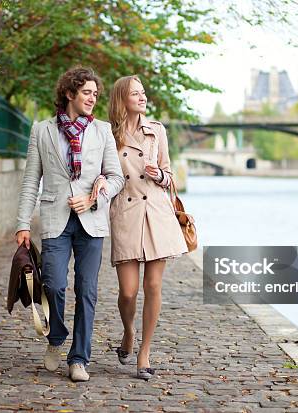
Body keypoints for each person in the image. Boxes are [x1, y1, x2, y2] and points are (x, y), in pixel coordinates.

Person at [15, 66, 124, 382]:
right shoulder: (42, 130)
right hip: (55, 218)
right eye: (87, 92)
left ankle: (79, 359)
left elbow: (116, 178)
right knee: (53, 284)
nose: (93, 98)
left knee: (87, 290)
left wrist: (93, 200)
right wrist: (23, 224)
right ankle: (55, 338)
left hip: (91, 222)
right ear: (69, 93)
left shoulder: (102, 131)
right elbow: (30, 180)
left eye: (95, 93)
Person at [103, 75, 188, 380]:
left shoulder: (157, 132)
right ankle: (128, 332)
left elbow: (169, 175)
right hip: (126, 212)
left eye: (143, 93)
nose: (142, 98)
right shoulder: (108, 134)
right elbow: (106, 174)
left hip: (156, 212)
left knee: (153, 286)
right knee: (128, 291)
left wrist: (159, 175)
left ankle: (144, 353)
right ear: (121, 99)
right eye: (135, 94)